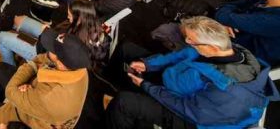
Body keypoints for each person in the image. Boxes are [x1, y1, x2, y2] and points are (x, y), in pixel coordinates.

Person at [107, 16, 278, 129]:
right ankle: (111, 83)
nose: (187, 42)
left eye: (192, 41)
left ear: (211, 47)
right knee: (127, 49)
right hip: (178, 82)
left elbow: (187, 109)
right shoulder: (226, 49)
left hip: (193, 118)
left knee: (124, 103)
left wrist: (147, 86)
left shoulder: (226, 90)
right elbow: (182, 55)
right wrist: (149, 64)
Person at [0, 29, 91, 129]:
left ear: (61, 64)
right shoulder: (80, 69)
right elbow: (42, 57)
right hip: (34, 95)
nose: (48, 49)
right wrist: (30, 82)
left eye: (53, 49)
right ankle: (1, 101)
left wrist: (31, 67)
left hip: (28, 119)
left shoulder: (50, 97)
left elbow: (11, 90)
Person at [0, 0, 108, 67]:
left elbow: (54, 58)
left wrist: (44, 35)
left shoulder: (76, 46)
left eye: (69, 16)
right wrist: (49, 30)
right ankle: (14, 37)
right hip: (49, 36)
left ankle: (9, 69)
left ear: (79, 18)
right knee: (19, 19)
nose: (67, 17)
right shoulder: (87, 24)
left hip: (43, 52)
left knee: (2, 37)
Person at [216, 0, 280, 66]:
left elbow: (222, 15)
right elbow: (228, 6)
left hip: (244, 59)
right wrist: (229, 20)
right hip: (237, 37)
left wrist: (228, 19)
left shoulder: (274, 20)